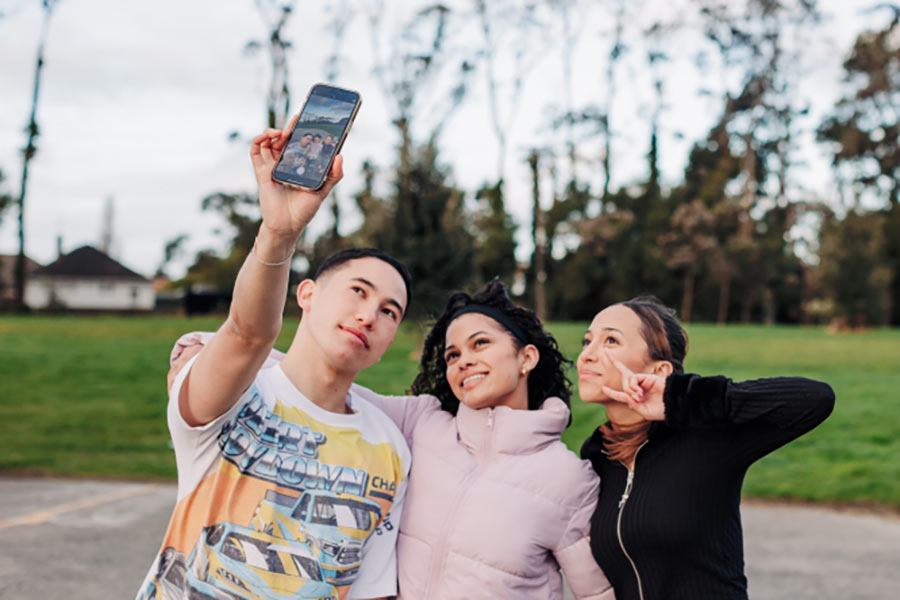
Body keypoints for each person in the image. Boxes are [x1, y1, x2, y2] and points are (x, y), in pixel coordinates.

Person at [169, 281, 614, 599]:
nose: (464, 362)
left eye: (481, 344)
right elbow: (322, 382)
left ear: (527, 357)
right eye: (453, 355)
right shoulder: (424, 423)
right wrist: (209, 345)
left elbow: (597, 592)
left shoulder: (568, 479)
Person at [138, 116, 412, 600]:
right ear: (306, 294)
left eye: (389, 311)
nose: (369, 315)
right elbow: (247, 335)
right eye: (357, 291)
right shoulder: (236, 394)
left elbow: (372, 591)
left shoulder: (389, 448)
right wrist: (279, 232)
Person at [577, 297, 835, 600]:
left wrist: (684, 398)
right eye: (587, 341)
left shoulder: (706, 438)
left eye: (610, 340)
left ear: (660, 370)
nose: (586, 356)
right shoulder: (598, 457)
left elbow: (814, 399)